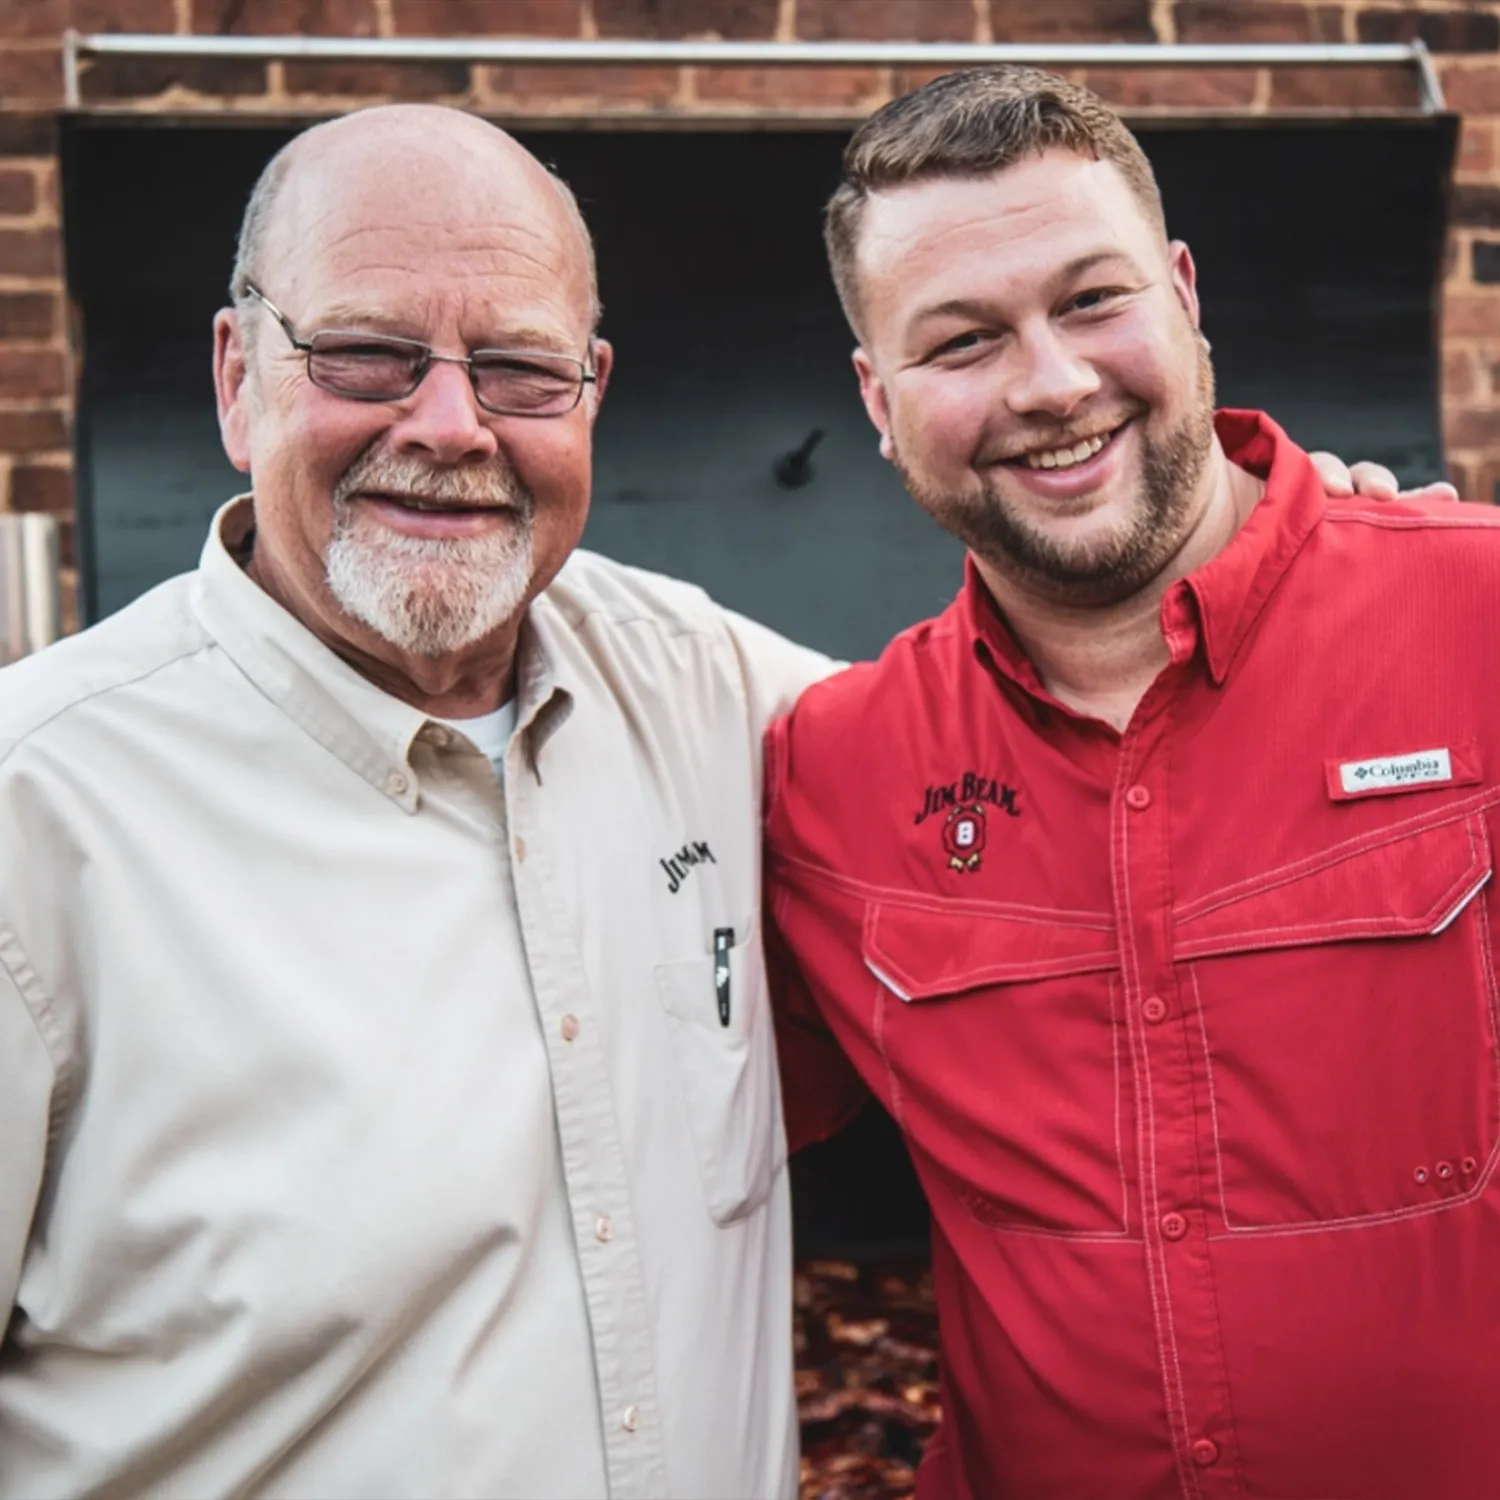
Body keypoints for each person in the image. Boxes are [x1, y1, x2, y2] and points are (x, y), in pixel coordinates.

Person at [0, 99, 1440, 1499]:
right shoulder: (37, 816)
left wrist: (1332, 575)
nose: (449, 425)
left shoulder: (702, 688)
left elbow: (1074, 733)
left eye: (518, 368)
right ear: (236, 376)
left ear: (592, 391)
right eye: (367, 357)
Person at [766, 65, 1500, 1500]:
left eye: (1093, 301)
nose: (1051, 385)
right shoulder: (830, 775)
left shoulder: (1477, 619)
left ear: (1183, 295)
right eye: (962, 341)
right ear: (877, 400)